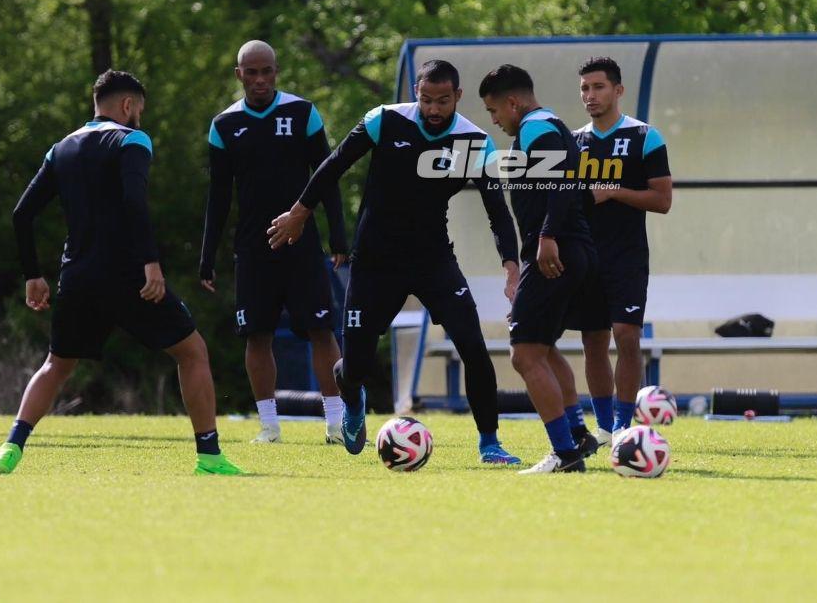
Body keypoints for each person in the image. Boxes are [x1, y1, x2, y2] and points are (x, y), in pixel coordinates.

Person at [0, 70, 242, 475]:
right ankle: (209, 457)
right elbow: (133, 202)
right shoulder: (132, 139)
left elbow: (22, 214)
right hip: (127, 275)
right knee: (192, 353)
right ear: (127, 106)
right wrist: (150, 263)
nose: (139, 116)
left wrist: (33, 274)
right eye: (139, 108)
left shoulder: (61, 148)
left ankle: (10, 448)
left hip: (78, 276)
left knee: (56, 365)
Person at [268, 59, 522, 465]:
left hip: (434, 260)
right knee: (357, 366)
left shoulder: (474, 143)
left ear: (457, 96)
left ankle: (490, 443)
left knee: (473, 347)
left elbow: (497, 211)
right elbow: (333, 165)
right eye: (426, 100)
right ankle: (349, 389)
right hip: (374, 261)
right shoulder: (383, 121)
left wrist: (511, 264)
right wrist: (300, 211)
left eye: (443, 101)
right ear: (414, 94)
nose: (434, 110)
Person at [200, 41, 349, 444]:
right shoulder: (224, 125)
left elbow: (328, 177)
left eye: (267, 71)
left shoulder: (302, 112)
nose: (260, 79)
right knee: (258, 334)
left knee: (321, 330)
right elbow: (219, 196)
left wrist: (338, 235)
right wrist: (207, 254)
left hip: (302, 243)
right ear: (239, 75)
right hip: (253, 248)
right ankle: (269, 426)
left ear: (277, 71)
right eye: (252, 72)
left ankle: (336, 422)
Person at [478, 64, 599, 474]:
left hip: (555, 252)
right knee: (543, 349)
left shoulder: (535, 126)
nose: (494, 120)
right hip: (570, 250)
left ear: (513, 102)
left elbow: (564, 180)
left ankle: (565, 454)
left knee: (524, 355)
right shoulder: (545, 125)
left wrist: (548, 236)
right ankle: (578, 435)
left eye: (494, 111)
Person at [572, 57, 672, 445]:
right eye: (584, 88)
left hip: (626, 256)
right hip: (585, 256)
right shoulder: (574, 141)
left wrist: (613, 191)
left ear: (618, 90)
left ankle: (623, 425)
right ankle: (601, 427)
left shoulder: (645, 136)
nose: (590, 96)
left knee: (626, 336)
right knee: (592, 339)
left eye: (598, 87)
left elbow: (662, 200)